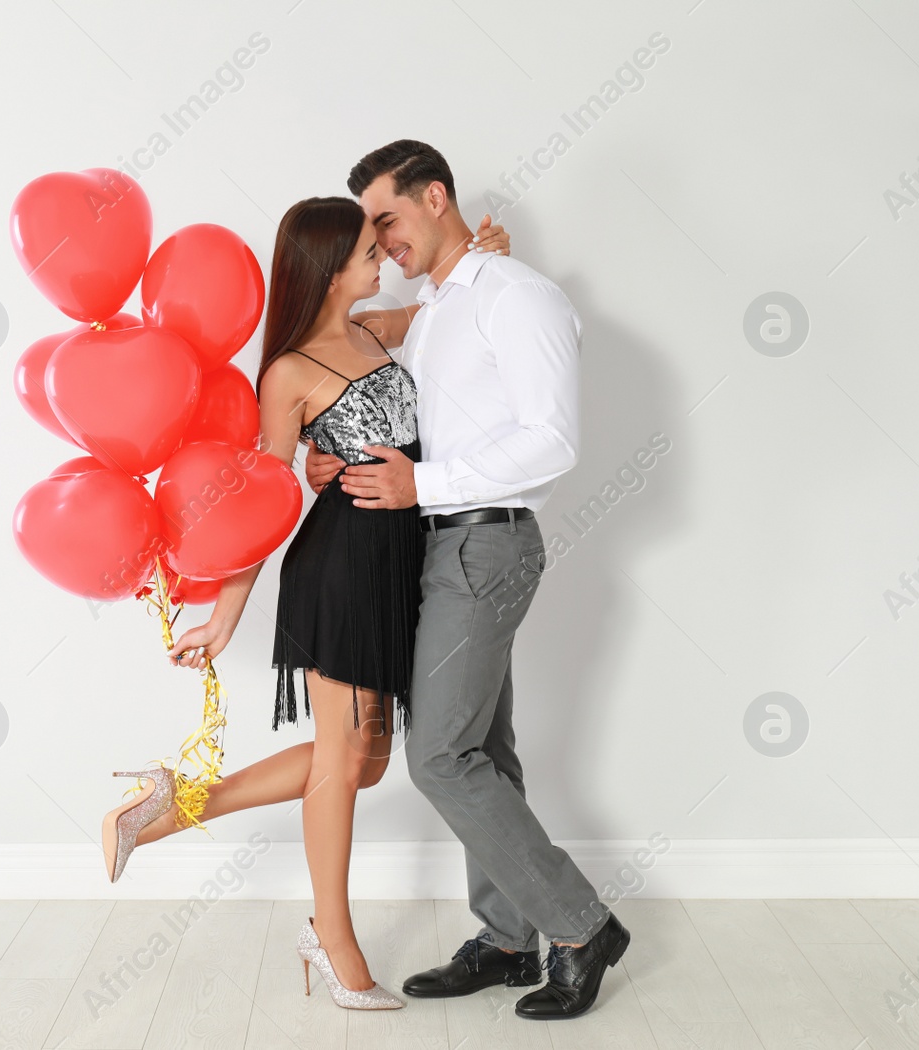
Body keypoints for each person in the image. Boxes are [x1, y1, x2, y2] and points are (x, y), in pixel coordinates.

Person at [99, 195, 511, 1009]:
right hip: (341, 573)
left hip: (402, 567)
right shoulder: (288, 373)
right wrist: (225, 613)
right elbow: (261, 499)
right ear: (326, 270)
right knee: (342, 757)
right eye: (366, 248)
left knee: (363, 761)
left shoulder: (376, 328)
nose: (383, 255)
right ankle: (332, 937)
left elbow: (445, 305)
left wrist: (489, 253)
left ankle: (165, 807)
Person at [305, 139, 629, 1020]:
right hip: (441, 547)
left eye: (388, 220)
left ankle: (579, 925)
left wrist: (424, 485)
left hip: (485, 544)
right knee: (484, 750)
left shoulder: (516, 298)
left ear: (436, 196)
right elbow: (370, 330)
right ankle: (506, 937)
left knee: (439, 755)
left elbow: (552, 440)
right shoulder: (446, 300)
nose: (381, 244)